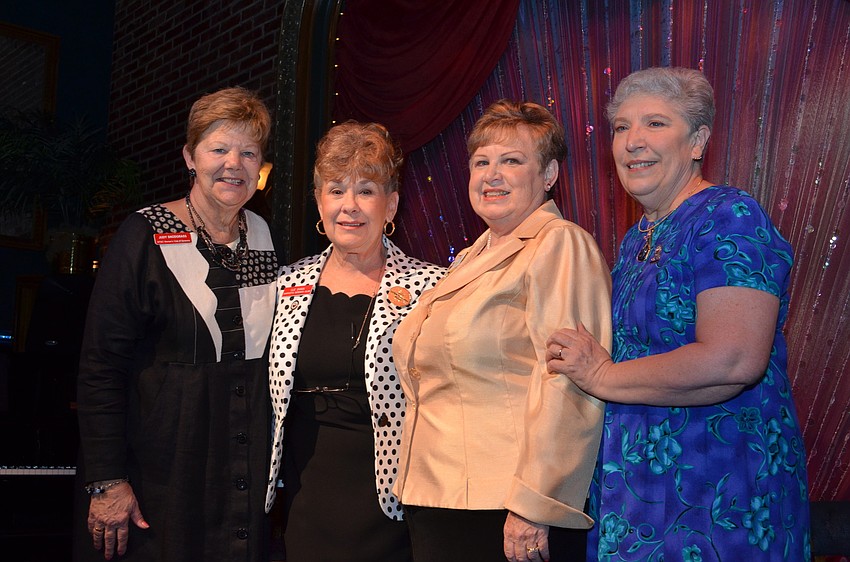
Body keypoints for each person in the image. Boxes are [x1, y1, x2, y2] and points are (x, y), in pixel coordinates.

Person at [546, 67, 811, 561]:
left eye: (655, 123)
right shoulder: (637, 239)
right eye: (621, 127)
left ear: (698, 141)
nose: (633, 141)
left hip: (718, 494)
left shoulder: (728, 215)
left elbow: (733, 359)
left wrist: (602, 374)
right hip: (637, 492)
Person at [392, 99, 612, 562]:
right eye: (481, 162)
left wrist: (536, 503)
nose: (492, 175)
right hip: (438, 497)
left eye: (511, 161)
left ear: (548, 174)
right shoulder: (471, 257)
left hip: (507, 509)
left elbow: (569, 383)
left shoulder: (559, 244)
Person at [75, 86, 278, 561]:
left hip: (239, 474)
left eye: (249, 152)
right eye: (219, 149)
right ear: (190, 157)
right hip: (160, 474)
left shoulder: (264, 236)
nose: (234, 164)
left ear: (261, 167)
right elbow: (101, 364)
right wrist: (107, 481)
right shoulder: (145, 234)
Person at [264, 121, 445, 561]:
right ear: (319, 202)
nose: (349, 206)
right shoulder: (284, 285)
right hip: (305, 500)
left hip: (395, 504)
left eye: (365, 190)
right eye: (336, 190)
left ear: (391, 204)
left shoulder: (433, 288)